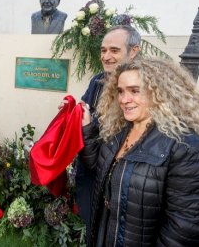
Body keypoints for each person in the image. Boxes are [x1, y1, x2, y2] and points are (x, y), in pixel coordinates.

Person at [79, 59, 199, 246]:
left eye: (135, 91)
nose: (124, 100)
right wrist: (86, 127)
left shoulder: (183, 144)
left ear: (159, 91)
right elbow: (99, 166)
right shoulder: (118, 129)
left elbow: (184, 226)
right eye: (120, 91)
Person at [58, 25, 141, 235]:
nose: (106, 56)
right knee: (92, 228)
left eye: (114, 50)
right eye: (103, 50)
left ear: (134, 51)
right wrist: (73, 111)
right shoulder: (97, 81)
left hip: (119, 181)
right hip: (90, 174)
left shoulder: (147, 88)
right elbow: (85, 108)